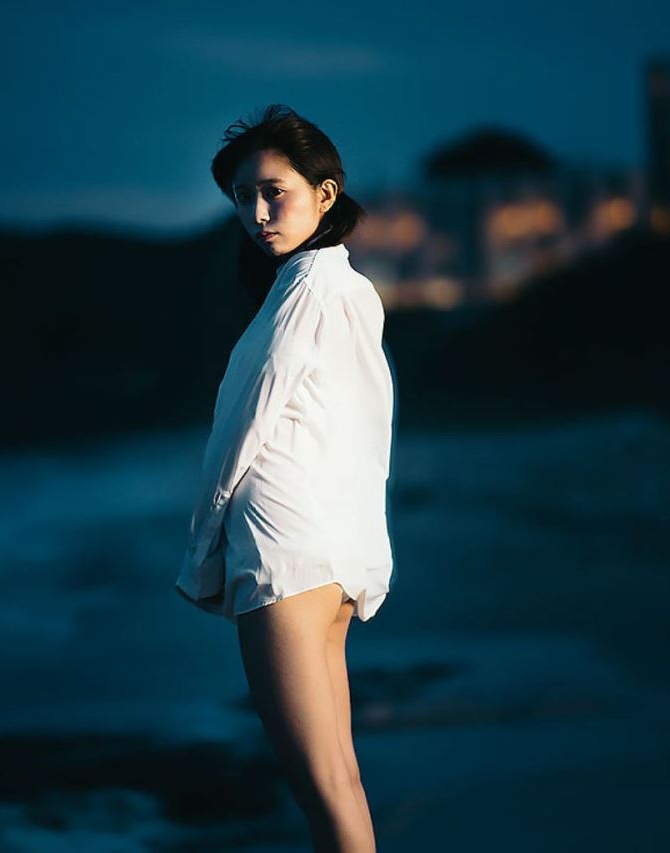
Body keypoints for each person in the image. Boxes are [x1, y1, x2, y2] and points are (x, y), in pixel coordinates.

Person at [175, 103, 396, 851]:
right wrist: (366, 562)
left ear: (325, 194)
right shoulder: (350, 288)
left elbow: (242, 424)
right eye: (244, 197)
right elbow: (366, 435)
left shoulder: (302, 288)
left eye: (276, 192)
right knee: (340, 781)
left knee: (322, 788)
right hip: (329, 559)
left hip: (282, 554)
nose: (258, 213)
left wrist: (201, 552)